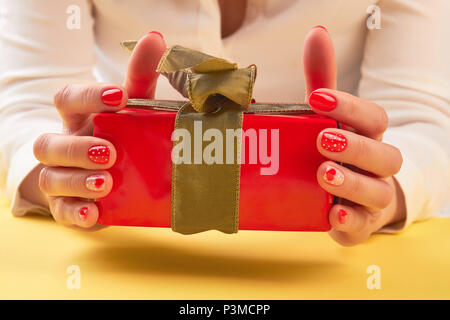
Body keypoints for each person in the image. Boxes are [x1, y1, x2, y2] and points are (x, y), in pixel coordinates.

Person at [0, 0, 448, 246]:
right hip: (125, 244)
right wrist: (64, 171)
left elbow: (423, 119)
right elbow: (23, 106)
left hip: (324, 256)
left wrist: (378, 190)